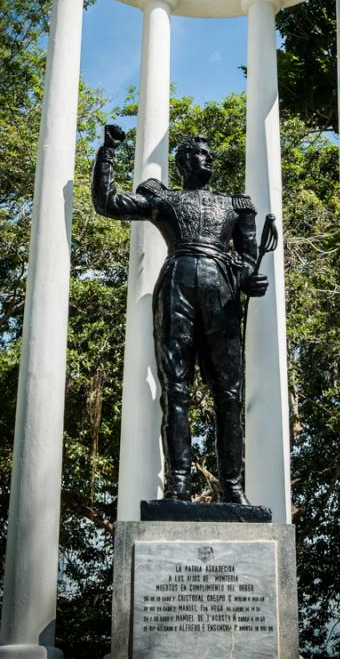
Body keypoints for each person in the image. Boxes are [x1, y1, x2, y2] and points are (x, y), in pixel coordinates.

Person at [91, 125, 268, 504]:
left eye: (210, 154)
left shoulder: (237, 205)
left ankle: (233, 488)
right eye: (200, 153)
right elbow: (107, 204)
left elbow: (248, 262)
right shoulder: (164, 199)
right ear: (183, 161)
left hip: (220, 291)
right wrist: (108, 153)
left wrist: (249, 278)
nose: (208, 159)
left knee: (230, 392)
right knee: (176, 388)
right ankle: (180, 483)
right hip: (177, 286)